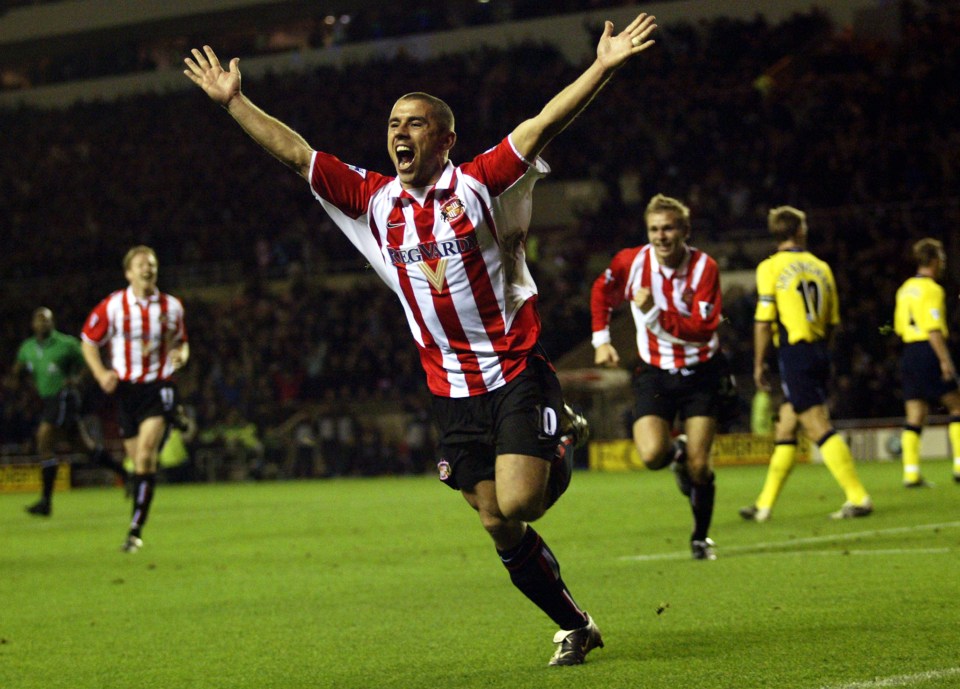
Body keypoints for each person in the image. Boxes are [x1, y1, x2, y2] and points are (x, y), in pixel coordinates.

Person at [184, 12, 657, 666]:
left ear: (445, 138)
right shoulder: (374, 199)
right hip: (451, 391)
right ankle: (575, 623)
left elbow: (544, 123)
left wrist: (603, 65)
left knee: (523, 498)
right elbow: (296, 154)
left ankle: (561, 434)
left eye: (414, 122)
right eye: (392, 124)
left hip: (514, 369)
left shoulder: (480, 181)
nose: (398, 132)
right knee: (497, 519)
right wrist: (235, 103)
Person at [590, 194, 728, 561]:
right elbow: (601, 292)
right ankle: (676, 450)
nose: (661, 236)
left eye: (668, 228)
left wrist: (651, 313)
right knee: (651, 455)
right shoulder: (631, 261)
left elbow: (701, 329)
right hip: (654, 370)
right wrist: (601, 340)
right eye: (654, 229)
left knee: (701, 466)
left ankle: (700, 537)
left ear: (684, 230)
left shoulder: (704, 268)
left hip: (701, 371)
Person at [739, 206, 872, 522]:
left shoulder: (770, 268)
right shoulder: (821, 267)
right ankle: (764, 505)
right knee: (786, 424)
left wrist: (758, 363)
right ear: (800, 231)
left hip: (794, 352)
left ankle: (858, 497)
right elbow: (832, 321)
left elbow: (763, 321)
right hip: (819, 350)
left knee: (816, 423)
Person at [81, 246, 189, 553]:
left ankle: (135, 530)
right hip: (126, 391)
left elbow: (181, 342)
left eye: (152, 264)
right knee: (135, 460)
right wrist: (101, 374)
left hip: (158, 385)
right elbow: (88, 341)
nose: (148, 268)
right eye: (141, 264)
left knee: (144, 456)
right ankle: (138, 484)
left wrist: (180, 355)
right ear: (129, 272)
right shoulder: (113, 306)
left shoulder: (171, 306)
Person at [7, 307, 127, 516]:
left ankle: (46, 501)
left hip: (65, 396)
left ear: (52, 323)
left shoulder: (66, 344)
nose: (42, 323)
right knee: (85, 447)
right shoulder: (27, 348)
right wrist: (17, 379)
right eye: (38, 320)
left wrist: (77, 380)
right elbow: (19, 368)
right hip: (48, 400)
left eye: (46, 320)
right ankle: (126, 475)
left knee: (44, 438)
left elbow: (88, 363)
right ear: (33, 324)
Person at [893, 238, 960, 486]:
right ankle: (959, 467)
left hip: (909, 352)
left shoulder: (904, 289)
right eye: (941, 259)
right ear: (933, 260)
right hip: (928, 349)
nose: (943, 263)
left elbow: (899, 328)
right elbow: (933, 329)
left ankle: (911, 473)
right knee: (957, 406)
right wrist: (945, 361)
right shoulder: (932, 289)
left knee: (915, 414)